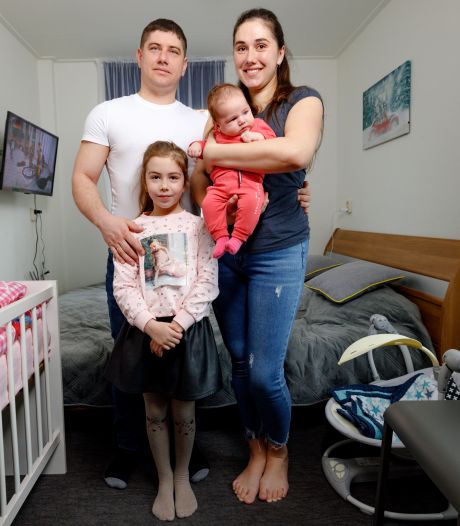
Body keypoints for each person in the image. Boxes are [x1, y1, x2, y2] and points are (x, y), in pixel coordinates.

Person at [191, 8, 323, 505]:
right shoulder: (225, 105)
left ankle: (280, 449)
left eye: (261, 45)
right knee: (240, 365)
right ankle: (254, 447)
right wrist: (215, 194)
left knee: (266, 372)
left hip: (279, 249)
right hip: (227, 253)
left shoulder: (302, 101)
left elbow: (294, 154)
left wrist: (214, 152)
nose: (250, 56)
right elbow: (199, 179)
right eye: (241, 47)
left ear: (280, 52)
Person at [71, 18, 211, 489]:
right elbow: (82, 178)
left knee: (183, 355)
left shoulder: (200, 121)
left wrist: (291, 192)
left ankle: (186, 449)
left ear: (185, 64)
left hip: (186, 260)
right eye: (154, 47)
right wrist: (106, 222)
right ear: (139, 56)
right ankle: (128, 445)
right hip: (129, 253)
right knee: (130, 358)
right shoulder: (108, 113)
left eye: (173, 50)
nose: (163, 57)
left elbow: (216, 183)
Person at [105, 141, 221, 521]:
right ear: (145, 181)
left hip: (186, 330)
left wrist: (178, 326)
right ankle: (164, 478)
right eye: (156, 177)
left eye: (173, 177)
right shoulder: (132, 229)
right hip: (146, 330)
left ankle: (182, 476)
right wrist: (151, 327)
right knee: (154, 409)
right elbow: (123, 287)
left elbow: (208, 281)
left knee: (184, 409)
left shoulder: (198, 226)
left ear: (184, 181)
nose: (165, 185)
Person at [188, 83, 276, 258]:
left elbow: (272, 140)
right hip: (221, 187)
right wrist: (196, 146)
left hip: (250, 184)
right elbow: (205, 148)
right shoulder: (217, 137)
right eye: (232, 119)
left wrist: (257, 137)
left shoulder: (258, 126)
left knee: (252, 203)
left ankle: (238, 238)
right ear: (218, 126)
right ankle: (220, 237)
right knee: (209, 203)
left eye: (245, 112)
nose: (242, 120)